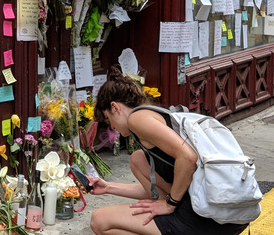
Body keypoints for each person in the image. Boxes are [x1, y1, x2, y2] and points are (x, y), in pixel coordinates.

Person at [87, 66, 248, 235]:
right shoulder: (157, 114)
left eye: (108, 118)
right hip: (221, 212)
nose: (112, 127)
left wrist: (170, 204)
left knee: (99, 220)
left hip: (202, 218)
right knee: (137, 159)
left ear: (115, 107)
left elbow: (188, 157)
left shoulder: (137, 119)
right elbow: (156, 193)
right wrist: (108, 187)